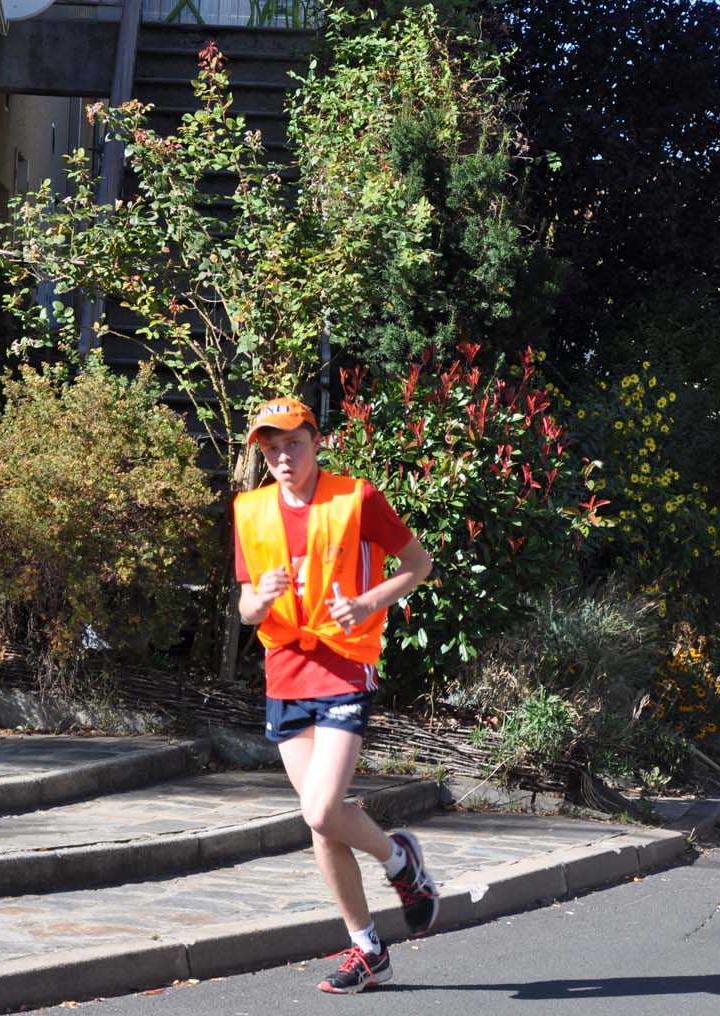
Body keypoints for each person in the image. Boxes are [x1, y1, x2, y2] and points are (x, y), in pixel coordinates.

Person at [233, 397, 439, 995]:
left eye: (292, 443)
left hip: (345, 667)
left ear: (316, 442)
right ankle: (369, 950)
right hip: (285, 672)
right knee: (322, 827)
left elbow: (417, 563)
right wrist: (262, 599)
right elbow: (246, 608)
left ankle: (400, 861)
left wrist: (368, 603)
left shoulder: (357, 499)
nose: (282, 457)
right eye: (270, 448)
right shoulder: (250, 511)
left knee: (321, 810)